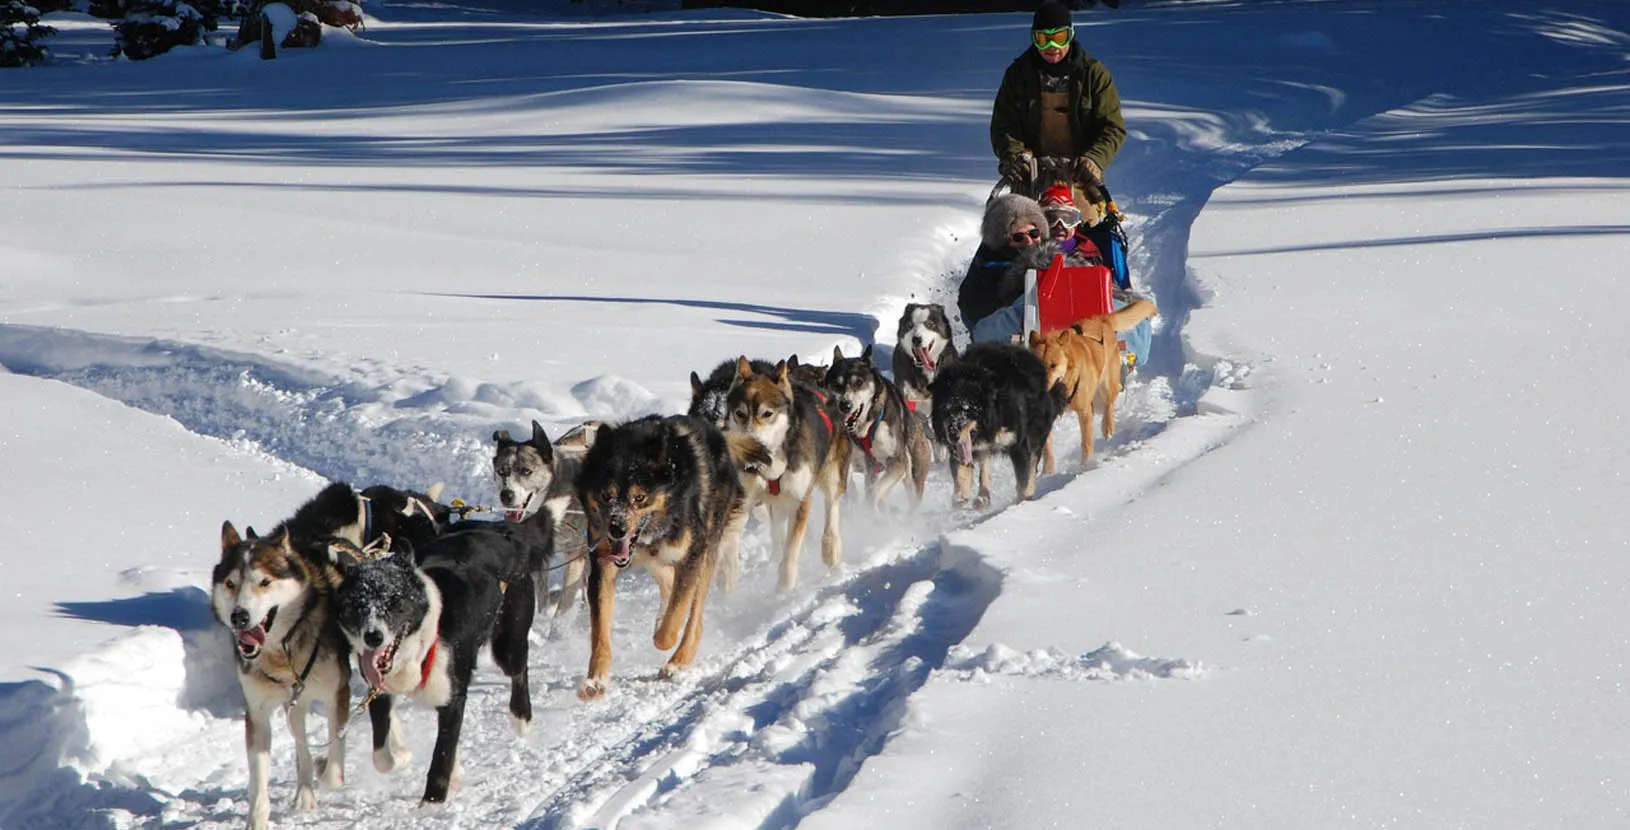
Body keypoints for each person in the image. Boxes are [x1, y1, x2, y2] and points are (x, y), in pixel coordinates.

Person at [990, 1, 1126, 204]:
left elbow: (1112, 128)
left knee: (1082, 230)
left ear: (1070, 35)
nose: (1052, 47)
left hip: (1080, 177)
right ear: (1034, 39)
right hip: (1031, 176)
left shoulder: (1093, 74)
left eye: (1059, 38)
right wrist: (1015, 155)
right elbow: (1004, 125)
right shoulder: (1018, 74)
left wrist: (1094, 159)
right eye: (1043, 39)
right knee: (1026, 230)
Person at [958, 192, 1101, 345]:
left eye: (1034, 233)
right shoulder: (986, 273)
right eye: (1018, 237)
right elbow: (980, 329)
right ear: (1002, 241)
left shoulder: (1052, 259)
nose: (1029, 241)